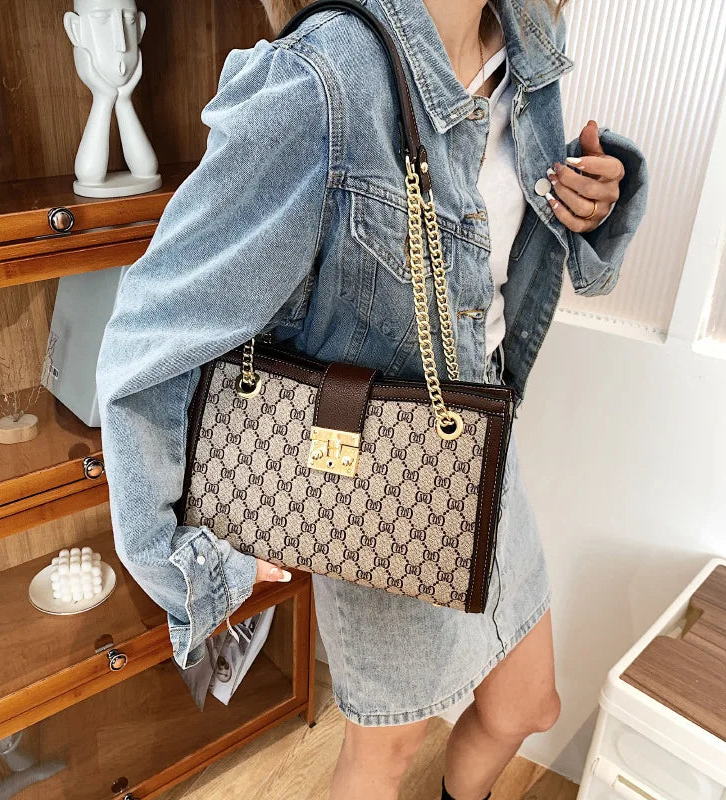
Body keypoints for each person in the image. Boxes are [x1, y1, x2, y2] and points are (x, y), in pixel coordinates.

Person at [95, 0, 649, 798]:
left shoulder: (527, 46)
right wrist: (183, 561)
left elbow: (490, 237)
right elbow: (159, 328)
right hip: (375, 479)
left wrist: (588, 207)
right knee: (384, 754)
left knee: (531, 706)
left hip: (479, 450)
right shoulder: (321, 81)